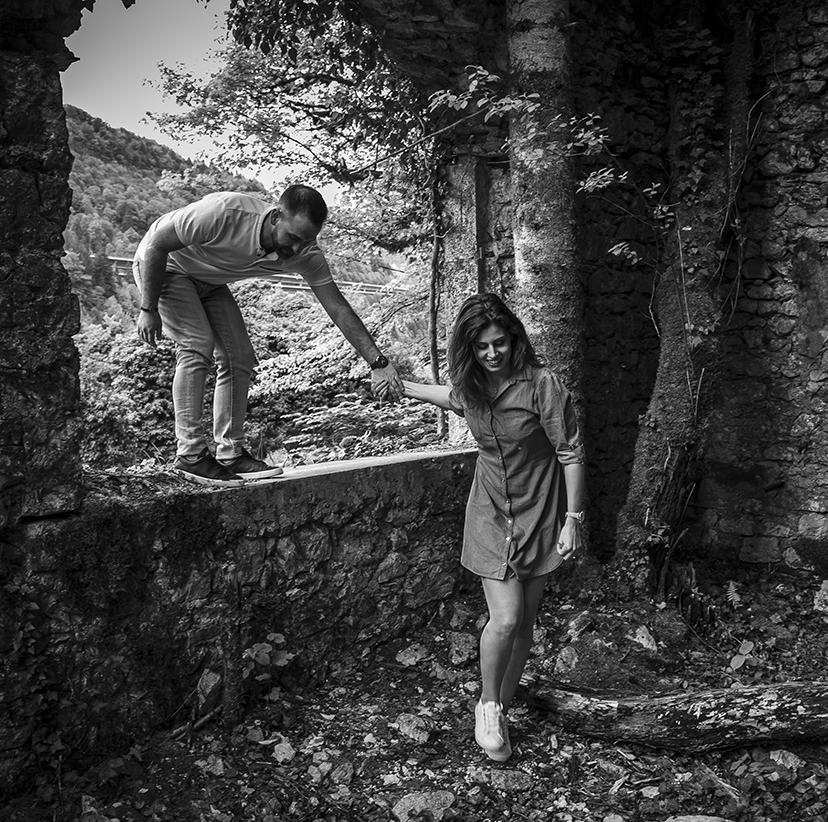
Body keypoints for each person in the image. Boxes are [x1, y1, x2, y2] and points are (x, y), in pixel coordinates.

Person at [401, 293, 585, 762]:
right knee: (504, 617)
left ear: (514, 338)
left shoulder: (542, 385)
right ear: (469, 349)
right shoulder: (473, 385)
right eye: (481, 346)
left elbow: (570, 453)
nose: (491, 354)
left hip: (540, 512)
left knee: (524, 619)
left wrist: (572, 520)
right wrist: (401, 385)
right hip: (488, 512)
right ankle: (487, 705)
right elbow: (453, 400)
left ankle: (503, 704)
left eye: (499, 343)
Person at [133, 185, 404, 486]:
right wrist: (148, 307)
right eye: (293, 238)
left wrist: (378, 363)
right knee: (198, 345)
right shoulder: (226, 213)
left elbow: (339, 309)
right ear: (276, 217)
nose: (298, 249)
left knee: (240, 355)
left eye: (307, 241)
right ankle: (191, 455)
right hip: (164, 267)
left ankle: (231, 453)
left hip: (208, 281)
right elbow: (156, 245)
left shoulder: (306, 253)